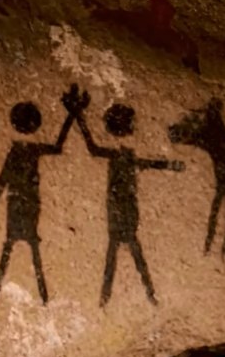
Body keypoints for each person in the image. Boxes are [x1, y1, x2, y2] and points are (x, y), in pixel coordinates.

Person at [73, 94, 184, 306]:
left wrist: (78, 116)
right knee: (124, 256)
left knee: (123, 256)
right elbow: (95, 149)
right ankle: (131, 295)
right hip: (121, 212)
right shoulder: (121, 156)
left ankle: (127, 296)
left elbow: (145, 163)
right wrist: (78, 116)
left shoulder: (124, 156)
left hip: (123, 212)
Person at [0, 84, 86, 304]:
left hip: (21, 203)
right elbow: (57, 146)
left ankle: (1, 290)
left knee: (14, 246)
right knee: (25, 247)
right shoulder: (28, 150)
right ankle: (37, 294)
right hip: (27, 203)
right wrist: (72, 114)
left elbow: (3, 179)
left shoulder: (20, 150)